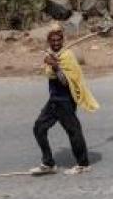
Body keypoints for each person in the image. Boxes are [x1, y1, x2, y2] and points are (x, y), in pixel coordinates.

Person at [31, 27, 100, 175]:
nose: (56, 43)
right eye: (53, 40)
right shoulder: (52, 54)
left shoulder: (67, 56)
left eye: (58, 40)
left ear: (62, 41)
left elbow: (66, 82)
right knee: (39, 128)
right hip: (54, 100)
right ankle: (48, 163)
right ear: (49, 41)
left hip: (65, 101)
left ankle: (83, 164)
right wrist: (51, 62)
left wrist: (56, 67)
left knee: (73, 131)